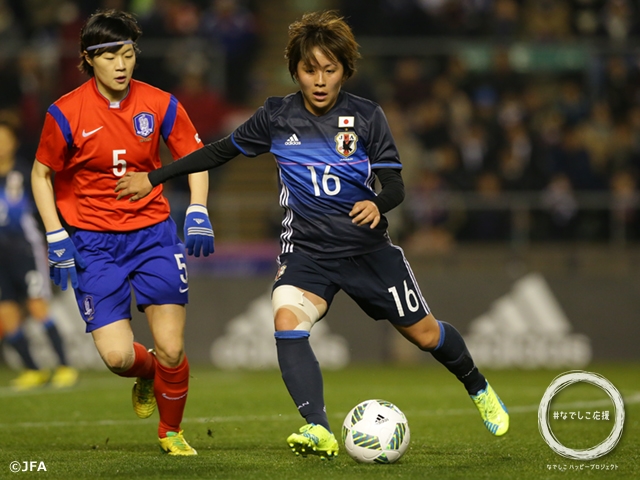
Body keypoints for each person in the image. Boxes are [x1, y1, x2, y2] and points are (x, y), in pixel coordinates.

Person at [115, 10, 509, 459]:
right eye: (309, 69)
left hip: (366, 250)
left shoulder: (366, 116)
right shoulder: (276, 117)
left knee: (424, 334)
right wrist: (155, 177)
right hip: (308, 252)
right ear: (295, 71)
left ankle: (477, 386)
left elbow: (396, 185)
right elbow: (219, 152)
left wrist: (377, 203)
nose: (319, 80)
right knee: (287, 319)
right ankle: (318, 428)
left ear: (345, 70)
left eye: (330, 69)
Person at [31, 10, 213, 456]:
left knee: (171, 348)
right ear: (88, 59)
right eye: (110, 55)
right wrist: (56, 235)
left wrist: (197, 209)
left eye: (128, 54)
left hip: (153, 235)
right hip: (93, 244)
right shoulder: (66, 112)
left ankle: (171, 433)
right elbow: (41, 174)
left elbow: (196, 157)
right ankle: (150, 376)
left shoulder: (161, 103)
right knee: (117, 359)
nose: (121, 64)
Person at [0, 120, 79, 390]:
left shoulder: (25, 174)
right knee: (6, 312)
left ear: (14, 143)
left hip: (25, 249)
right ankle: (33, 370)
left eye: (4, 138)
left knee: (37, 306)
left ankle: (64, 366)